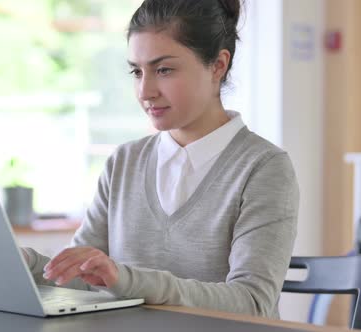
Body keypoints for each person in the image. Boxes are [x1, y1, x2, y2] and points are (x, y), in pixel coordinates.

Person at [21, 0, 298, 319]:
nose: (145, 90)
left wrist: (127, 279)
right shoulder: (124, 162)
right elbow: (78, 279)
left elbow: (253, 303)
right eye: (137, 71)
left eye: (163, 70)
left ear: (218, 65)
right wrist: (25, 262)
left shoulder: (264, 167)